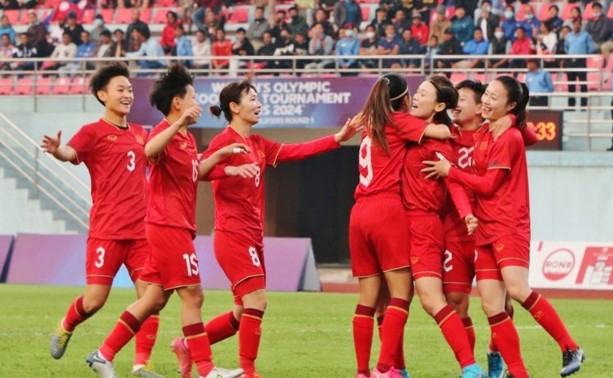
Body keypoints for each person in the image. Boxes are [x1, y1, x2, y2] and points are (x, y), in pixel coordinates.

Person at [169, 80, 361, 378]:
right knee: (257, 300)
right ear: (234, 107)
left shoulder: (257, 144)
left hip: (253, 236)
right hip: (232, 234)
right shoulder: (224, 140)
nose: (259, 104)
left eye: (258, 99)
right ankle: (248, 371)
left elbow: (297, 150)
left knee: (241, 312)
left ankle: (187, 346)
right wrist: (227, 167)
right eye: (253, 99)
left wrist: (338, 138)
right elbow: (195, 171)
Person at [84, 64, 248, 378]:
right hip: (167, 225)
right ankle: (206, 369)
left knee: (153, 298)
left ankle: (103, 354)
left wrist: (221, 155)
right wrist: (178, 125)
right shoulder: (165, 131)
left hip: (176, 226)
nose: (197, 103)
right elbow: (148, 151)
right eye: (193, 97)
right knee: (194, 295)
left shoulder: (186, 139)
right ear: (178, 103)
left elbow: (195, 172)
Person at [423, 76, 585, 378]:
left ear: (509, 105)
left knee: (516, 289)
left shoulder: (507, 134)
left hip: (508, 224)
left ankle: (569, 345)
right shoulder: (481, 131)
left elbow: (488, 185)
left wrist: (452, 172)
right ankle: (516, 372)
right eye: (487, 95)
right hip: (480, 228)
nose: (486, 101)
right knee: (491, 305)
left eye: (493, 97)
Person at [41, 63, 162, 378]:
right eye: (120, 89)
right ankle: (67, 325)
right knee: (95, 301)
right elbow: (70, 153)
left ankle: (141, 364)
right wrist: (57, 151)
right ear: (102, 95)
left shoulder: (140, 132)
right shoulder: (92, 132)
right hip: (107, 231)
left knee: (152, 298)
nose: (127, 95)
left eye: (130, 90)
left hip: (141, 232)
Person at [348, 73, 451, 378]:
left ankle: (362, 371)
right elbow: (442, 133)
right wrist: (446, 125)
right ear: (404, 100)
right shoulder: (398, 121)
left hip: (358, 212)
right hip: (386, 208)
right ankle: (384, 369)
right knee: (401, 295)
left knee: (367, 301)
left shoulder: (370, 124)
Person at [444, 80, 537, 378]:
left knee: (501, 305)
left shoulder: (498, 130)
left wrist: (512, 118)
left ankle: (497, 355)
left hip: (491, 226)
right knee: (457, 303)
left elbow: (530, 135)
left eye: (462, 99)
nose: (455, 104)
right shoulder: (446, 135)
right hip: (457, 231)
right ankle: (470, 367)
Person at [402, 76, 486, 378]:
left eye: (423, 93)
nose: (415, 96)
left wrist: (466, 214)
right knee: (392, 300)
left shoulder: (443, 139)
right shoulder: (409, 128)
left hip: (433, 226)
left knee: (437, 301)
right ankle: (392, 368)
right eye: (416, 91)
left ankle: (477, 363)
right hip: (395, 224)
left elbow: (453, 182)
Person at [565, 18, 596, 108]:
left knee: (583, 84)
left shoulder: (586, 35)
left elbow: (591, 48)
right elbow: (566, 47)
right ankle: (571, 105)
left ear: (581, 25)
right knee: (571, 84)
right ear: (573, 25)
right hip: (570, 61)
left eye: (578, 24)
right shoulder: (569, 36)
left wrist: (584, 54)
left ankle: (583, 105)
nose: (576, 26)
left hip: (581, 61)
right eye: (575, 24)